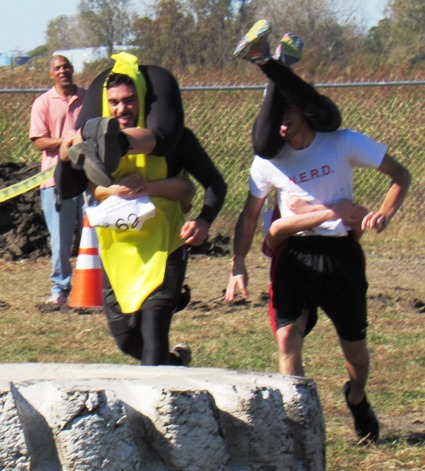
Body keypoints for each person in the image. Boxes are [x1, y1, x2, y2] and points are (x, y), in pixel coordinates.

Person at [226, 23, 411, 444]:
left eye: (285, 117)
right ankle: (299, 426)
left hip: (341, 255)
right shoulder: (268, 161)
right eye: (274, 121)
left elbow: (400, 173)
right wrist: (237, 264)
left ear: (304, 112)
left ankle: (357, 397)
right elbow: (250, 216)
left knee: (356, 354)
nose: (279, 128)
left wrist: (382, 212)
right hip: (292, 256)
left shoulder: (341, 141)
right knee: (288, 338)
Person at [57, 53, 227, 366]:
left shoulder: (176, 141)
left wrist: (203, 221)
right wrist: (69, 153)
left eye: (130, 100)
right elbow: (68, 187)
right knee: (127, 341)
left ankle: (158, 412)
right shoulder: (97, 147)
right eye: (115, 102)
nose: (122, 109)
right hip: (117, 250)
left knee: (153, 336)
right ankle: (175, 366)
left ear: (143, 100)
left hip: (165, 249)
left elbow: (216, 183)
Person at [233, 20, 341, 159]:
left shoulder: (339, 138)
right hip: (272, 141)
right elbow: (262, 147)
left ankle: (269, 61)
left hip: (311, 107)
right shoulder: (267, 155)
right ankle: (275, 63)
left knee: (329, 119)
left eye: (288, 107)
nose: (283, 114)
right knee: (263, 148)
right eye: (278, 108)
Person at [29, 55, 86, 307]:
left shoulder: (88, 98)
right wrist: (66, 142)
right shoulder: (42, 103)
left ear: (72, 70)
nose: (63, 71)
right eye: (57, 68)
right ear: (51, 74)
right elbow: (39, 141)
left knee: (94, 236)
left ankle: (98, 287)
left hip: (88, 179)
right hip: (55, 181)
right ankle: (60, 289)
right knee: (60, 241)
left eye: (66, 66)